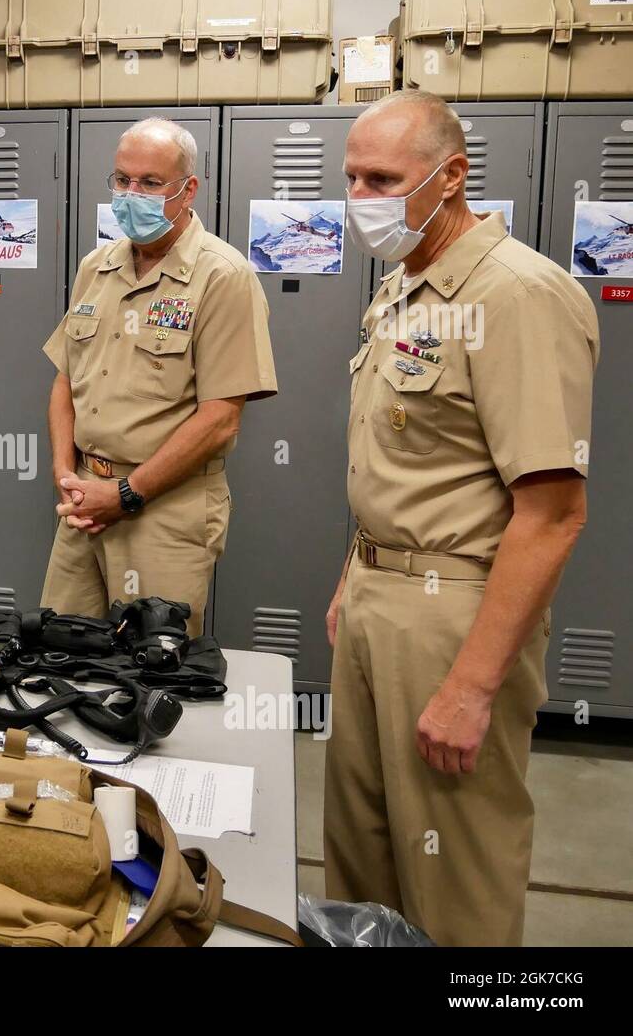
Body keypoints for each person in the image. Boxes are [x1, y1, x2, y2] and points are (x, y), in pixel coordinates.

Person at [325, 89, 598, 946]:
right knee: (360, 862)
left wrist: (474, 685)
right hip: (376, 594)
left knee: (453, 882)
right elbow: (397, 460)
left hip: (455, 615)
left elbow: (552, 514)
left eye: (382, 178)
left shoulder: (517, 293)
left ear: (451, 178)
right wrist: (352, 576)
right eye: (351, 178)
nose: (361, 197)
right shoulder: (405, 286)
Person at [41, 117, 277, 636]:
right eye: (122, 180)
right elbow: (66, 381)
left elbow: (220, 421)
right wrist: (67, 475)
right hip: (84, 503)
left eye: (150, 183)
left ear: (187, 189)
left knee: (150, 673)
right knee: (59, 654)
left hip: (164, 512)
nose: (132, 194)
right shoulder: (96, 267)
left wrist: (125, 493)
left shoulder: (223, 276)